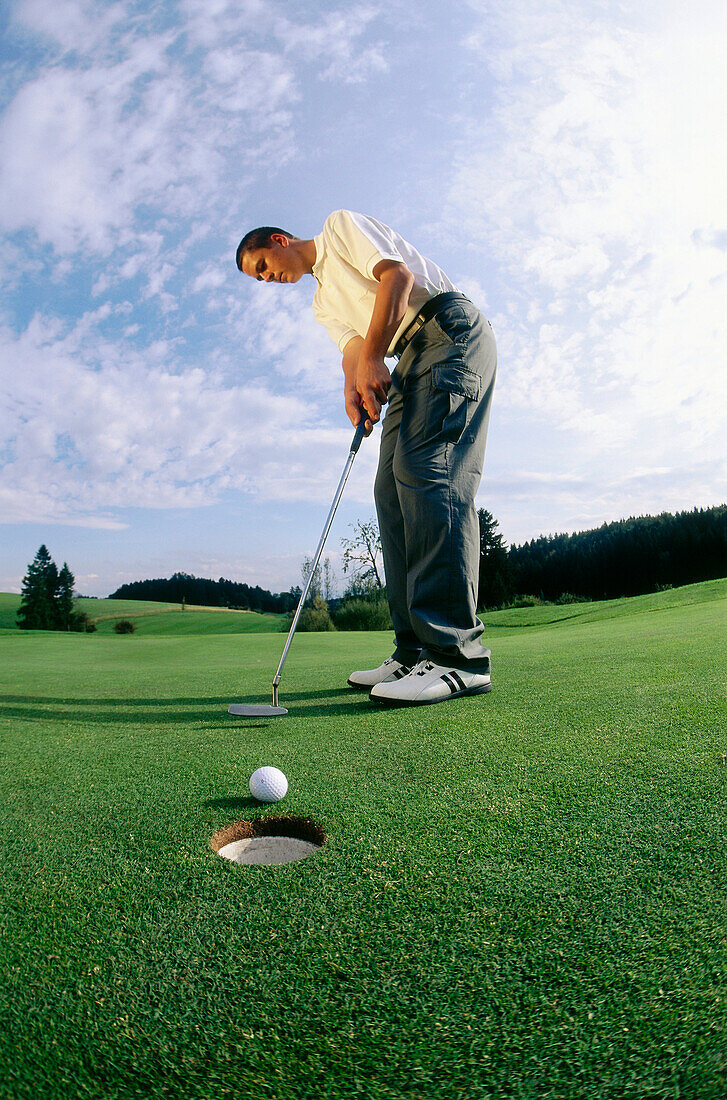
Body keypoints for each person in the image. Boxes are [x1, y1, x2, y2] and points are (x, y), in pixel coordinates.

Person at [236, 210, 496, 707]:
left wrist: (374, 359)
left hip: (448, 333)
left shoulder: (338, 228)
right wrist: (353, 389)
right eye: (260, 279)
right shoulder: (320, 303)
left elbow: (397, 278)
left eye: (264, 266)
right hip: (409, 358)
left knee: (427, 474)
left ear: (279, 239)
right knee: (390, 490)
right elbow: (353, 351)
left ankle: (459, 656)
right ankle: (415, 648)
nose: (269, 280)